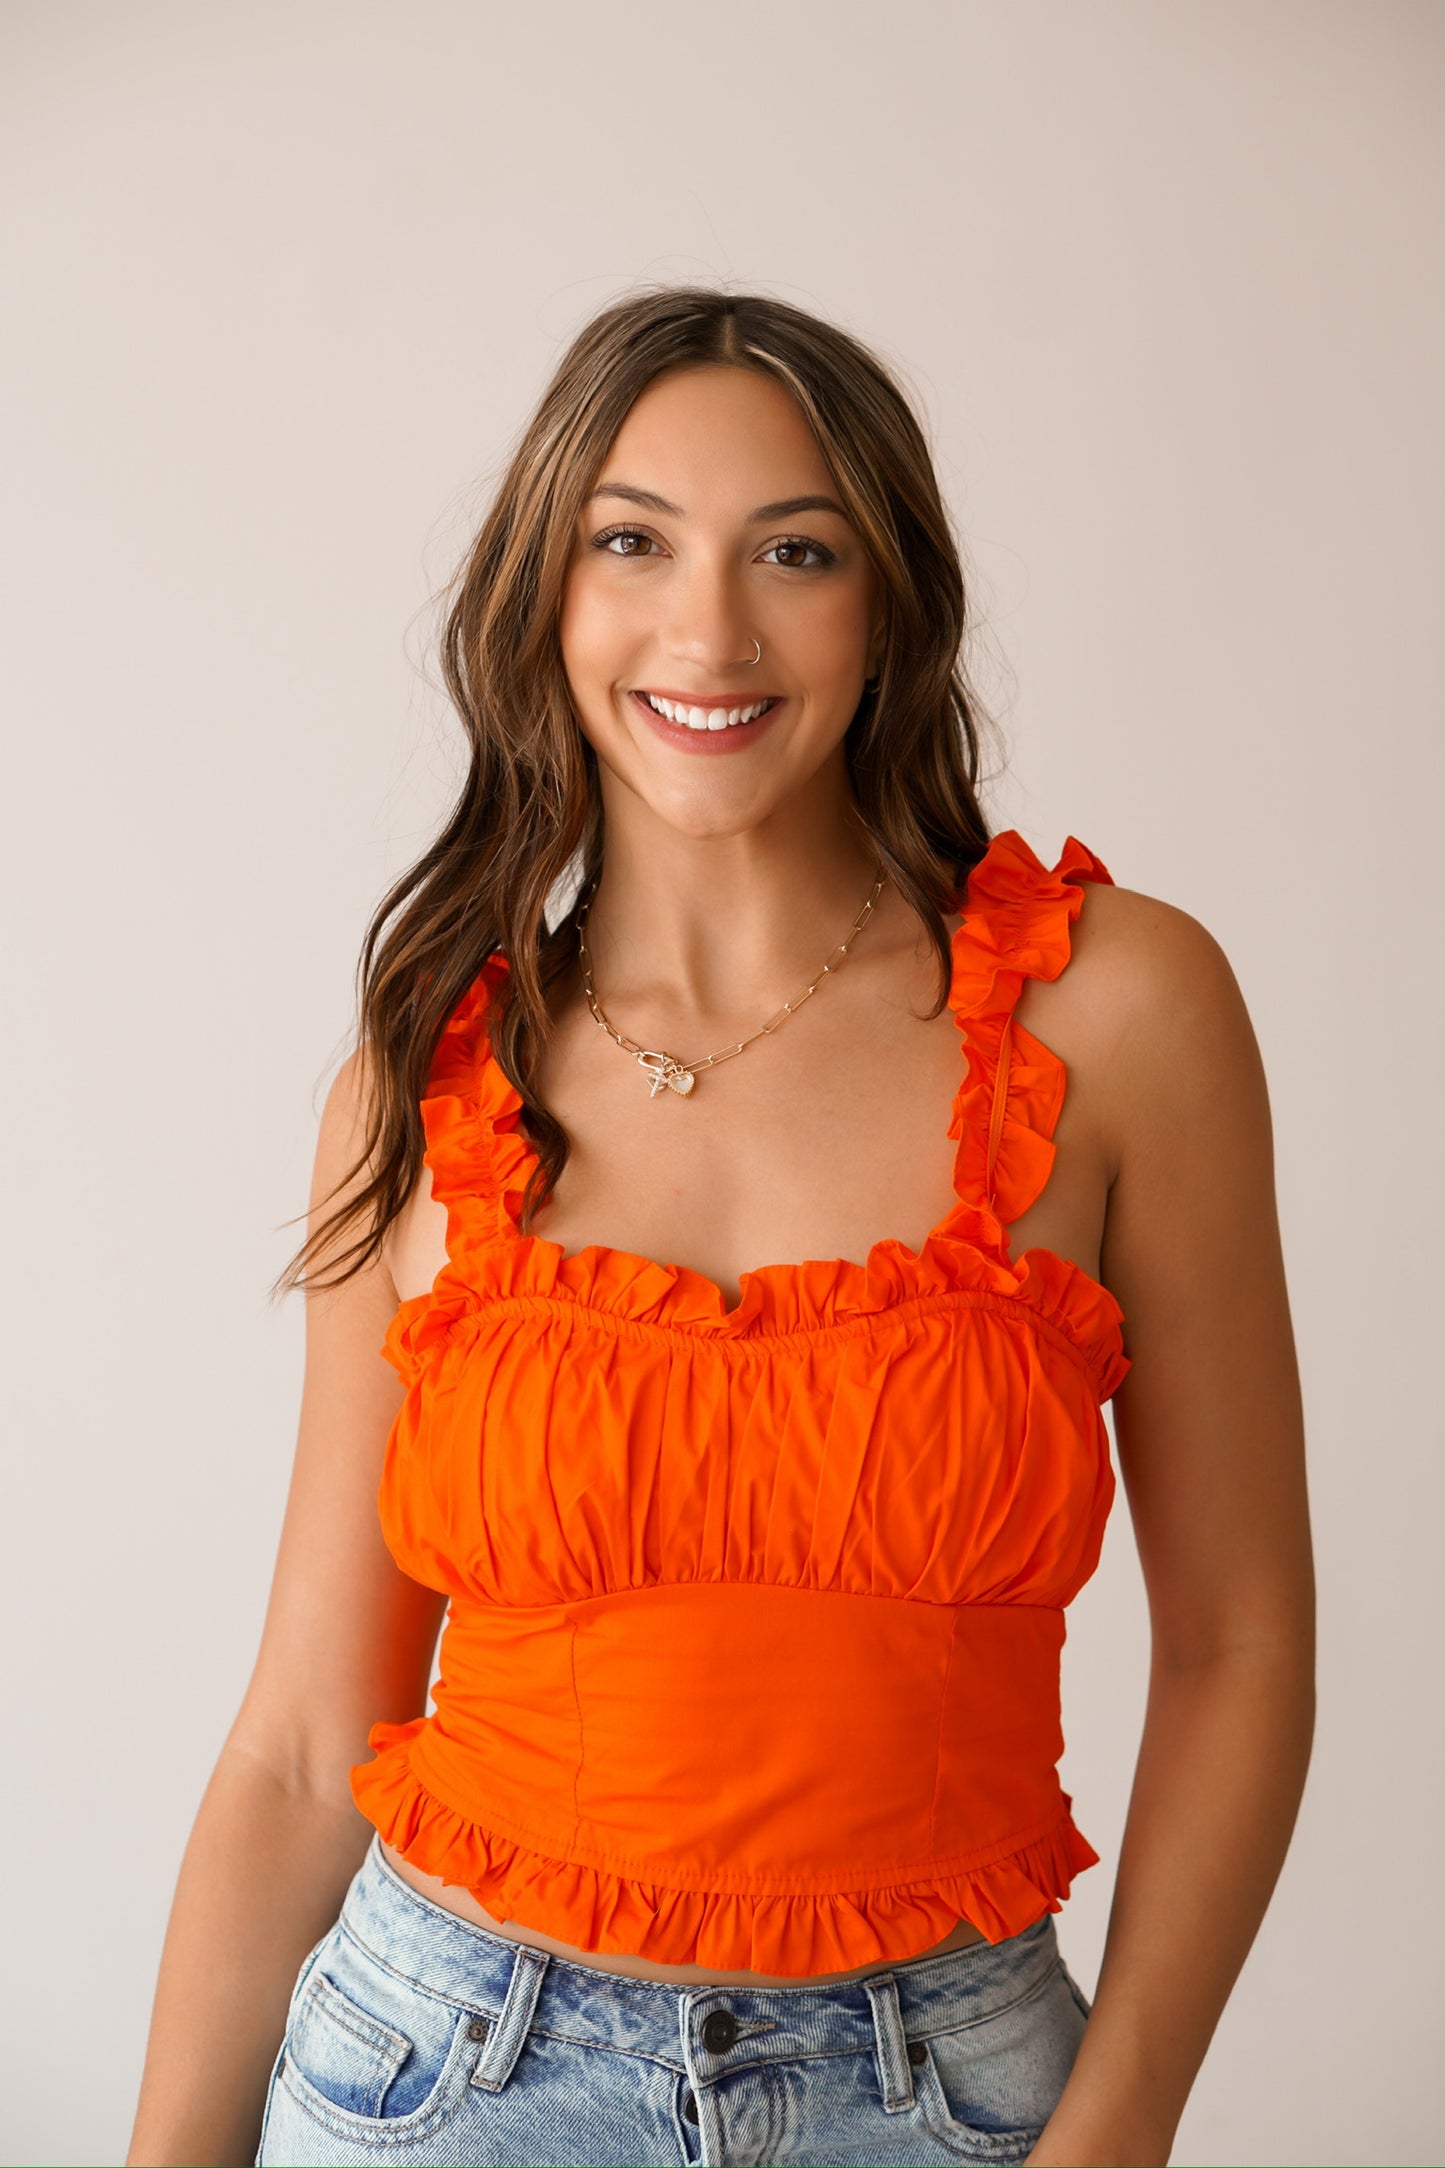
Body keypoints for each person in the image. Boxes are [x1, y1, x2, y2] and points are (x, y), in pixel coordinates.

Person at [126, 288, 1314, 2168]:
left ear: (887, 603)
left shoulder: (1120, 1016)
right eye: (630, 542)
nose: (709, 629)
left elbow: (1241, 1643)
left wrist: (1119, 2134)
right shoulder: (431, 1091)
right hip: (444, 2074)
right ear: (548, 599)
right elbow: (299, 1739)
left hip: (957, 2087)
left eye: (795, 550)